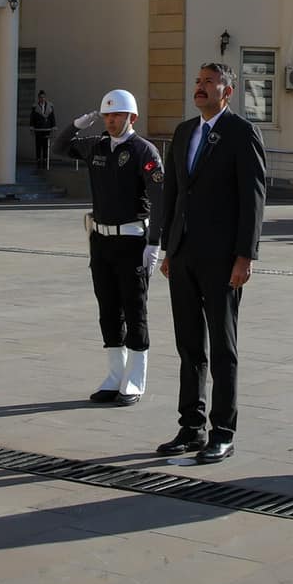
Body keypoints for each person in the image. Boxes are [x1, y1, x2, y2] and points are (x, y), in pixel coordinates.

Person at [154, 62, 267, 465]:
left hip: (222, 259)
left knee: (222, 346)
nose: (200, 88)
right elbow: (173, 194)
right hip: (184, 255)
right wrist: (168, 247)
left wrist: (245, 256)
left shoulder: (240, 133)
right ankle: (190, 425)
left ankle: (222, 431)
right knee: (189, 345)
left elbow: (253, 198)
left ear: (227, 91)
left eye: (209, 82)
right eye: (198, 82)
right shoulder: (185, 132)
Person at [54, 89, 167, 405]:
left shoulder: (144, 151)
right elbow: (60, 147)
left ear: (132, 117)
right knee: (108, 309)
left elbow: (160, 199)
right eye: (106, 115)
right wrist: (76, 124)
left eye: (116, 115)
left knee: (134, 309)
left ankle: (135, 379)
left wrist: (155, 243)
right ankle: (114, 375)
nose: (110, 120)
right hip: (101, 240)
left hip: (133, 241)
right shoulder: (98, 146)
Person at [30, 90, 57, 170]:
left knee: (45, 145)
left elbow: (52, 117)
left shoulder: (50, 107)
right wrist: (32, 127)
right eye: (40, 97)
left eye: (43, 97)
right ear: (38, 98)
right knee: (38, 145)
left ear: (45, 98)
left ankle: (45, 160)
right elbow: (32, 118)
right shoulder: (35, 107)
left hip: (46, 128)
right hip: (38, 129)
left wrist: (53, 127)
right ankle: (38, 160)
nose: (42, 99)